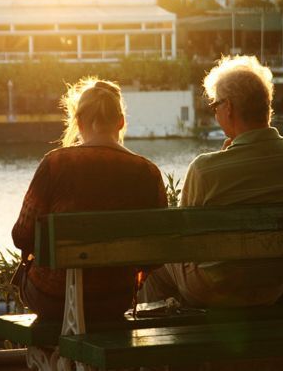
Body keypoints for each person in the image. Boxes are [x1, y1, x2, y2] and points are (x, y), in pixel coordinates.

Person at [141, 55, 283, 307]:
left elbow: (182, 240)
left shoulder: (205, 169)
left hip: (214, 290)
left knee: (156, 259)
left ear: (229, 108)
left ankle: (163, 337)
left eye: (215, 106)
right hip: (273, 288)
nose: (214, 112)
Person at [12, 78, 167, 320]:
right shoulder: (147, 171)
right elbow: (157, 250)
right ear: (121, 121)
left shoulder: (55, 163)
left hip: (53, 297)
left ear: (79, 121)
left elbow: (22, 235)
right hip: (114, 298)